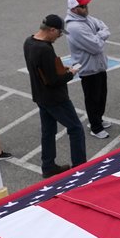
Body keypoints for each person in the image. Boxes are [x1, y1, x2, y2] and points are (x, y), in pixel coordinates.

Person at [24, 14, 85, 177]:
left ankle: (48, 166)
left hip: (40, 96)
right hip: (55, 98)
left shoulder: (29, 42)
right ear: (51, 30)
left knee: (48, 131)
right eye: (59, 32)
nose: (59, 36)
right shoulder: (45, 49)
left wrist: (59, 68)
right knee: (76, 129)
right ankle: (80, 168)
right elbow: (53, 81)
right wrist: (71, 73)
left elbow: (40, 70)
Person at [64, 0, 111, 138]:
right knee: (92, 99)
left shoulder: (86, 18)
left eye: (86, 5)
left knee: (101, 96)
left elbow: (104, 27)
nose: (86, 8)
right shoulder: (74, 27)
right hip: (88, 68)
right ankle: (95, 127)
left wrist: (99, 35)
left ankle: (98, 119)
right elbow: (96, 47)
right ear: (74, 9)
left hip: (98, 65)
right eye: (82, 6)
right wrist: (100, 35)